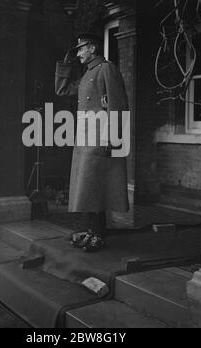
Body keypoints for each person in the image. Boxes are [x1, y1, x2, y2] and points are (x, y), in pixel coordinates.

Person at [55, 32, 129, 252]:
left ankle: (98, 235)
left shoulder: (107, 69)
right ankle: (91, 232)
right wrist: (65, 66)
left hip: (100, 137)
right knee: (87, 188)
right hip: (85, 137)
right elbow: (63, 90)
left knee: (95, 187)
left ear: (93, 48)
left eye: (81, 49)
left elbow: (118, 106)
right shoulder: (88, 73)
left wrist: (112, 138)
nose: (78, 54)